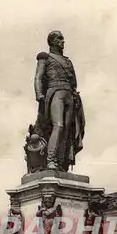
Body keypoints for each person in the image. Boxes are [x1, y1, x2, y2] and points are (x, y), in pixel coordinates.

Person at [33, 30, 85, 171]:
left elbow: (74, 82)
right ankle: (51, 160)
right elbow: (38, 77)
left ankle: (61, 163)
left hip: (69, 95)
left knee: (67, 130)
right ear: (52, 41)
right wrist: (39, 94)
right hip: (55, 93)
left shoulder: (68, 61)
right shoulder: (45, 57)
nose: (63, 41)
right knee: (58, 126)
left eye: (63, 38)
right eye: (60, 38)